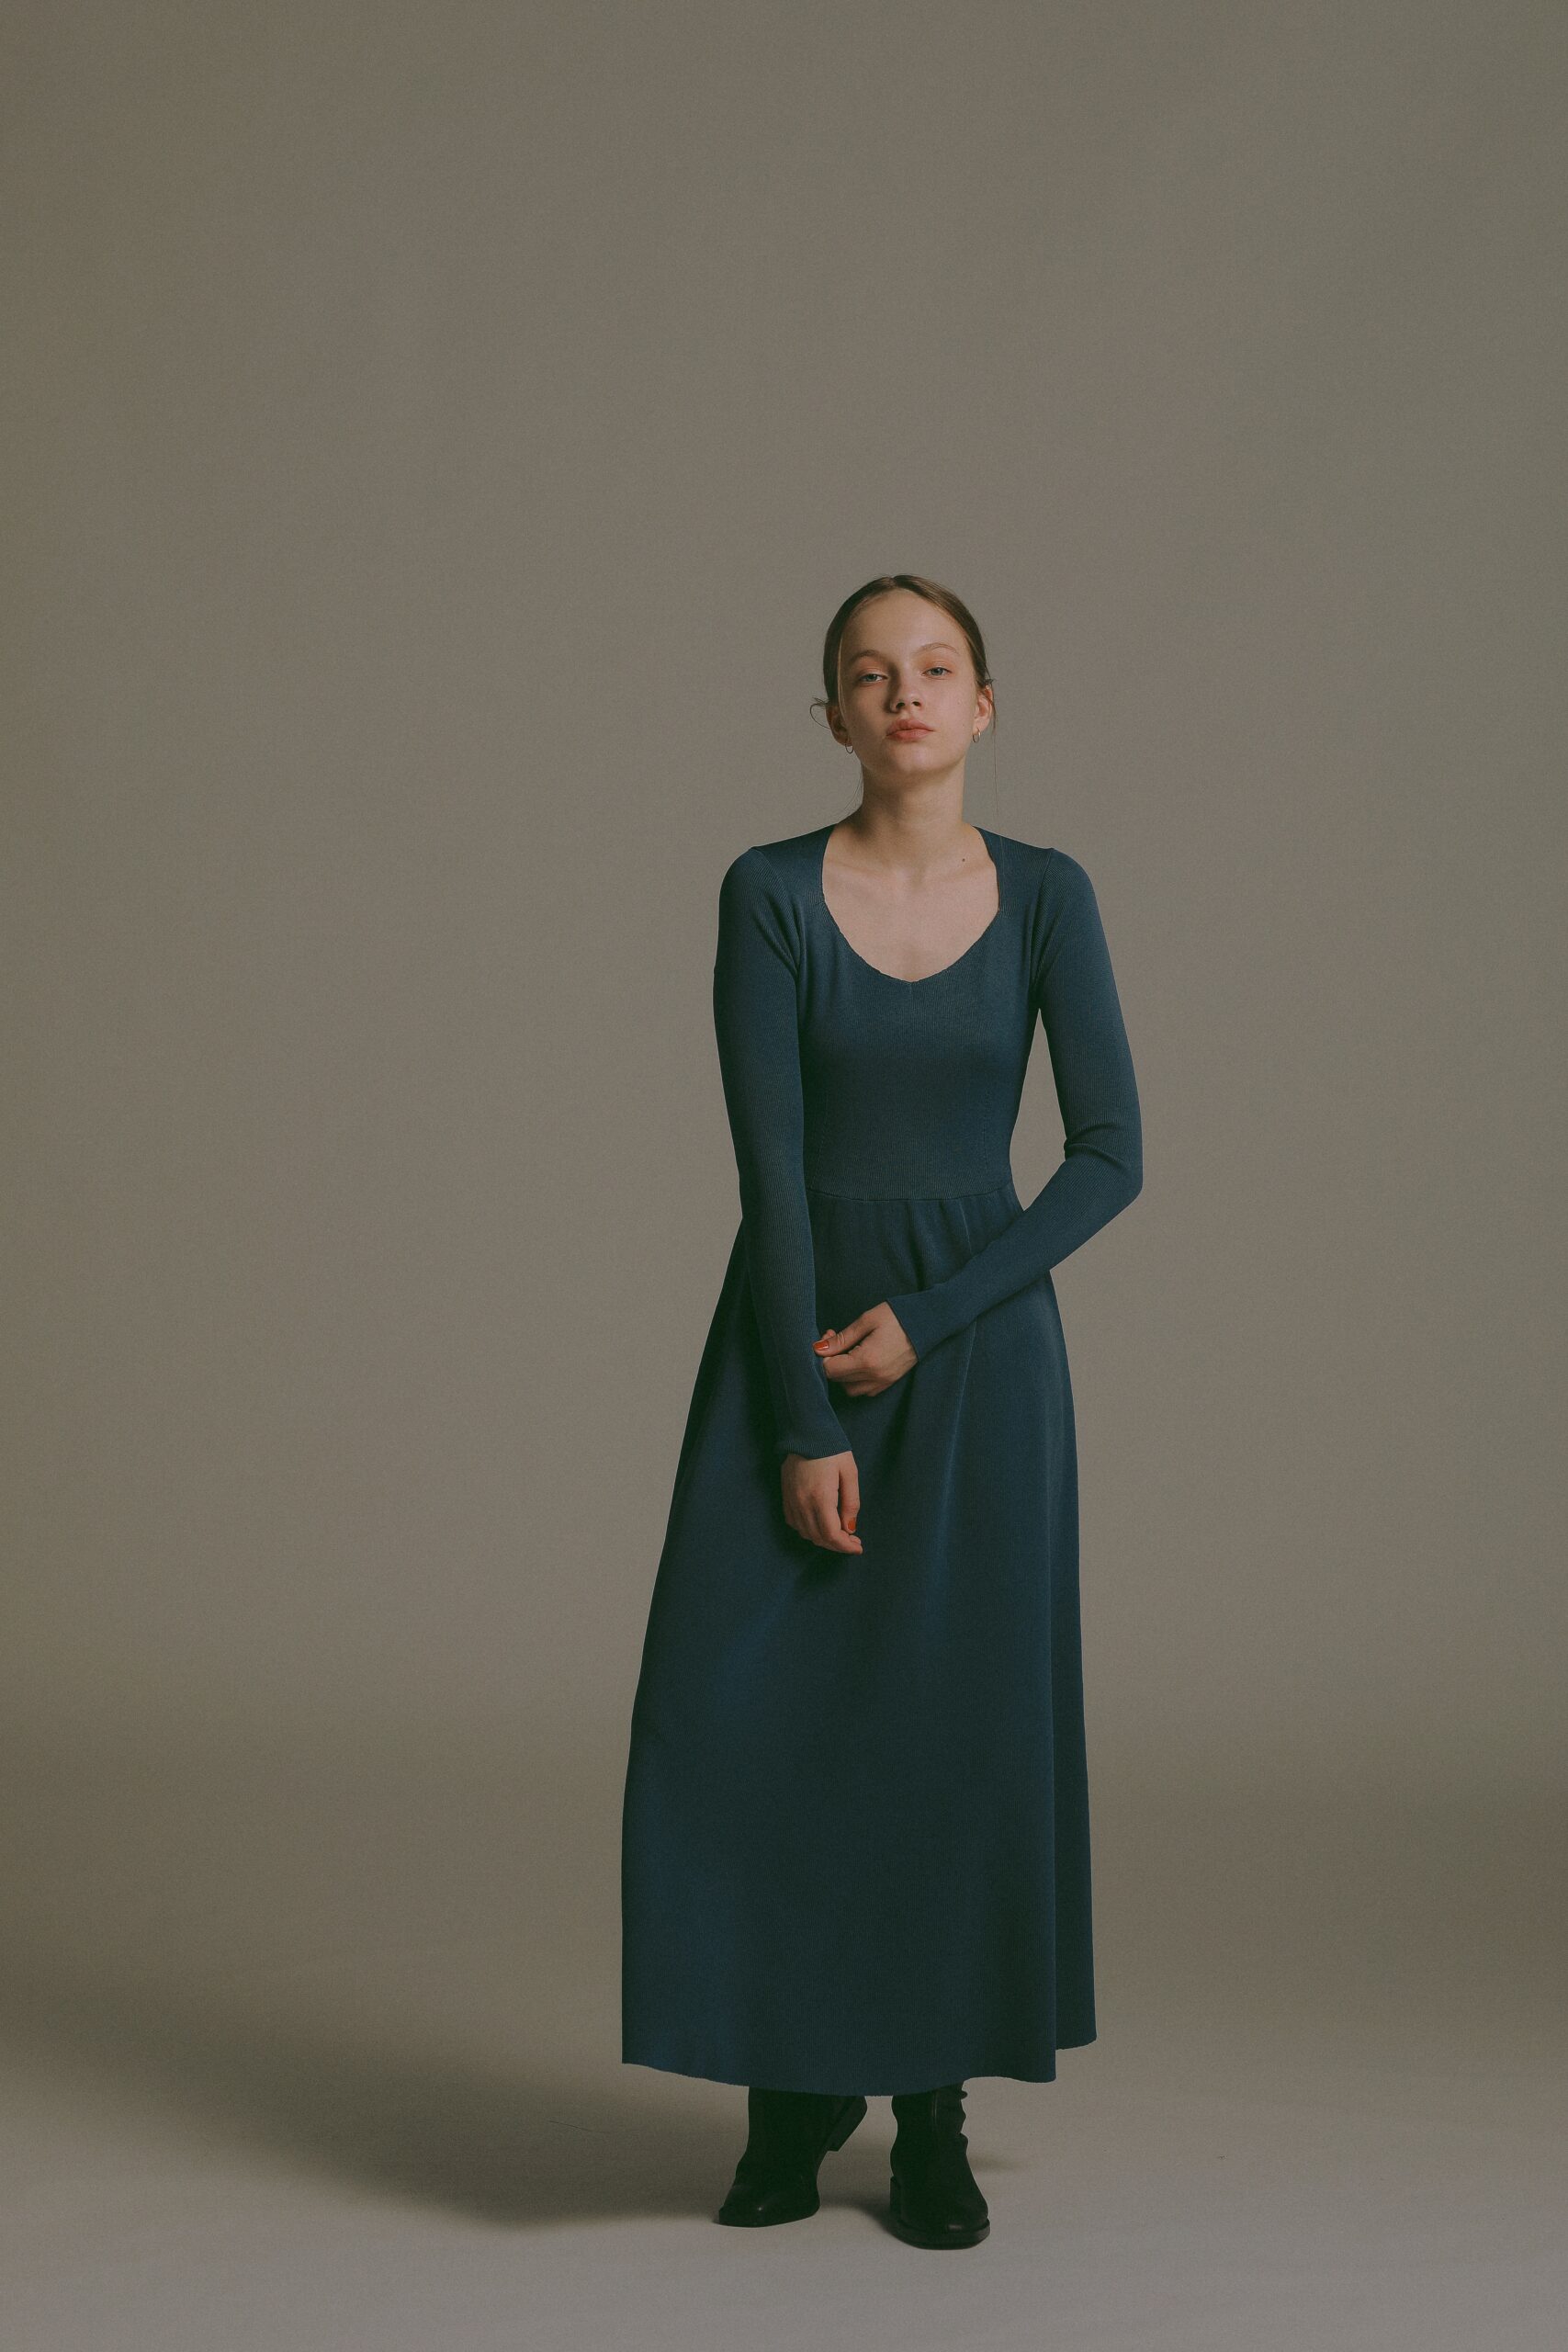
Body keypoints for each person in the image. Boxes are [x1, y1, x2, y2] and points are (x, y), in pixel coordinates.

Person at [620, 572, 1143, 2249]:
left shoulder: (1050, 895)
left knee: (952, 1742)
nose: (903, 693)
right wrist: (803, 1420)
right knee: (755, 1730)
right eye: (869, 672)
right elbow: (771, 1178)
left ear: (983, 705)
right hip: (794, 1346)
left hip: (979, 1363)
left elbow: (1111, 1156)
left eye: (934, 668)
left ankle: (932, 2115)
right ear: (834, 714)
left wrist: (929, 1322)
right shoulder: (768, 892)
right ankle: (793, 2096)